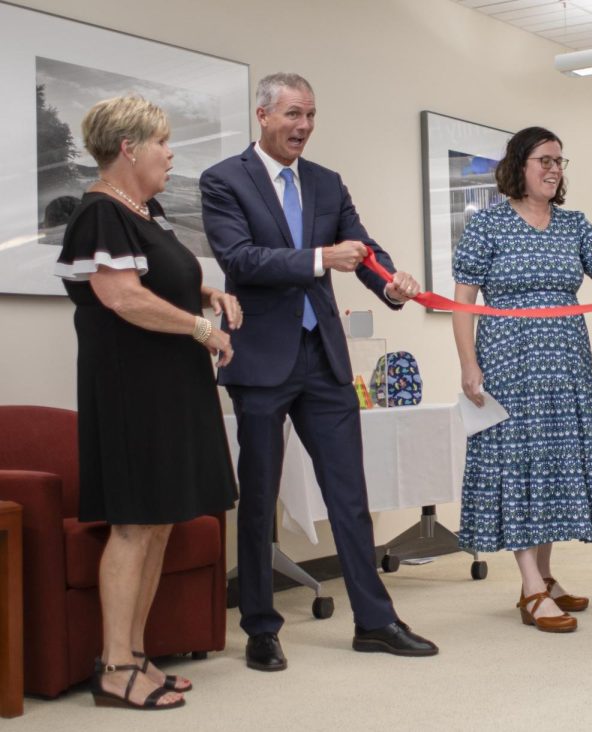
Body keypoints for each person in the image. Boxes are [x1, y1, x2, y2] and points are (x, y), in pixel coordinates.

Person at [200, 72, 436, 669]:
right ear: (263, 115)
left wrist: (392, 281)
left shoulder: (327, 183)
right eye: (292, 115)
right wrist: (317, 259)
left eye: (310, 116)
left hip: (324, 359)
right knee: (258, 500)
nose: (303, 126)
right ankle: (259, 626)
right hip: (260, 360)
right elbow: (239, 260)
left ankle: (375, 622)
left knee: (349, 495)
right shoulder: (224, 180)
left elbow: (362, 248)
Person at [55, 95, 239, 709]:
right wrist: (198, 327)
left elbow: (156, 278)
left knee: (160, 521)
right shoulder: (99, 214)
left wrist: (205, 292)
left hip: (169, 385)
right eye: (162, 142)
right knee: (134, 525)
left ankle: (136, 655)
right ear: (129, 148)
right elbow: (123, 299)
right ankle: (112, 667)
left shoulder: (145, 212)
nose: (170, 152)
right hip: (133, 390)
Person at [452, 126, 592, 632]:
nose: (553, 169)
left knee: (549, 465)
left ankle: (543, 579)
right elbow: (463, 302)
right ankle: (529, 589)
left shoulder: (574, 225)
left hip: (565, 363)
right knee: (520, 466)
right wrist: (468, 364)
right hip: (510, 362)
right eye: (544, 160)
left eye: (559, 161)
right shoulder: (490, 226)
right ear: (519, 165)